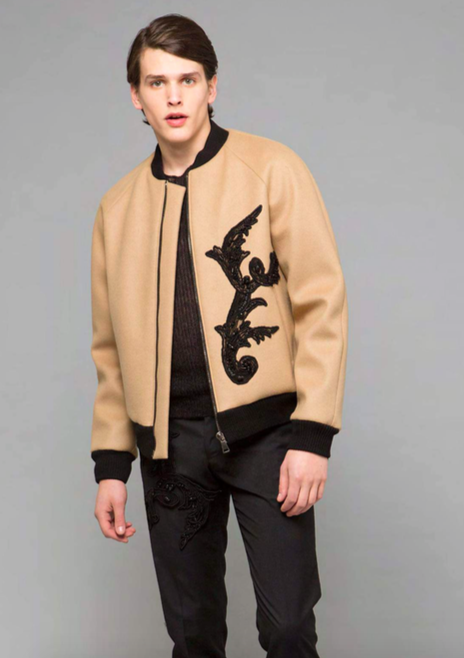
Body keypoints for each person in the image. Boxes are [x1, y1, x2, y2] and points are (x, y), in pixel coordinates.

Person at [90, 13, 348, 658]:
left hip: (268, 437)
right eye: (157, 82)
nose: (173, 97)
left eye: (188, 79)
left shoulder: (272, 168)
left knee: (287, 629)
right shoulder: (117, 209)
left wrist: (313, 434)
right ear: (136, 95)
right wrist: (112, 466)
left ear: (212, 86)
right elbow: (110, 350)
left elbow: (321, 303)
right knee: (193, 635)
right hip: (169, 446)